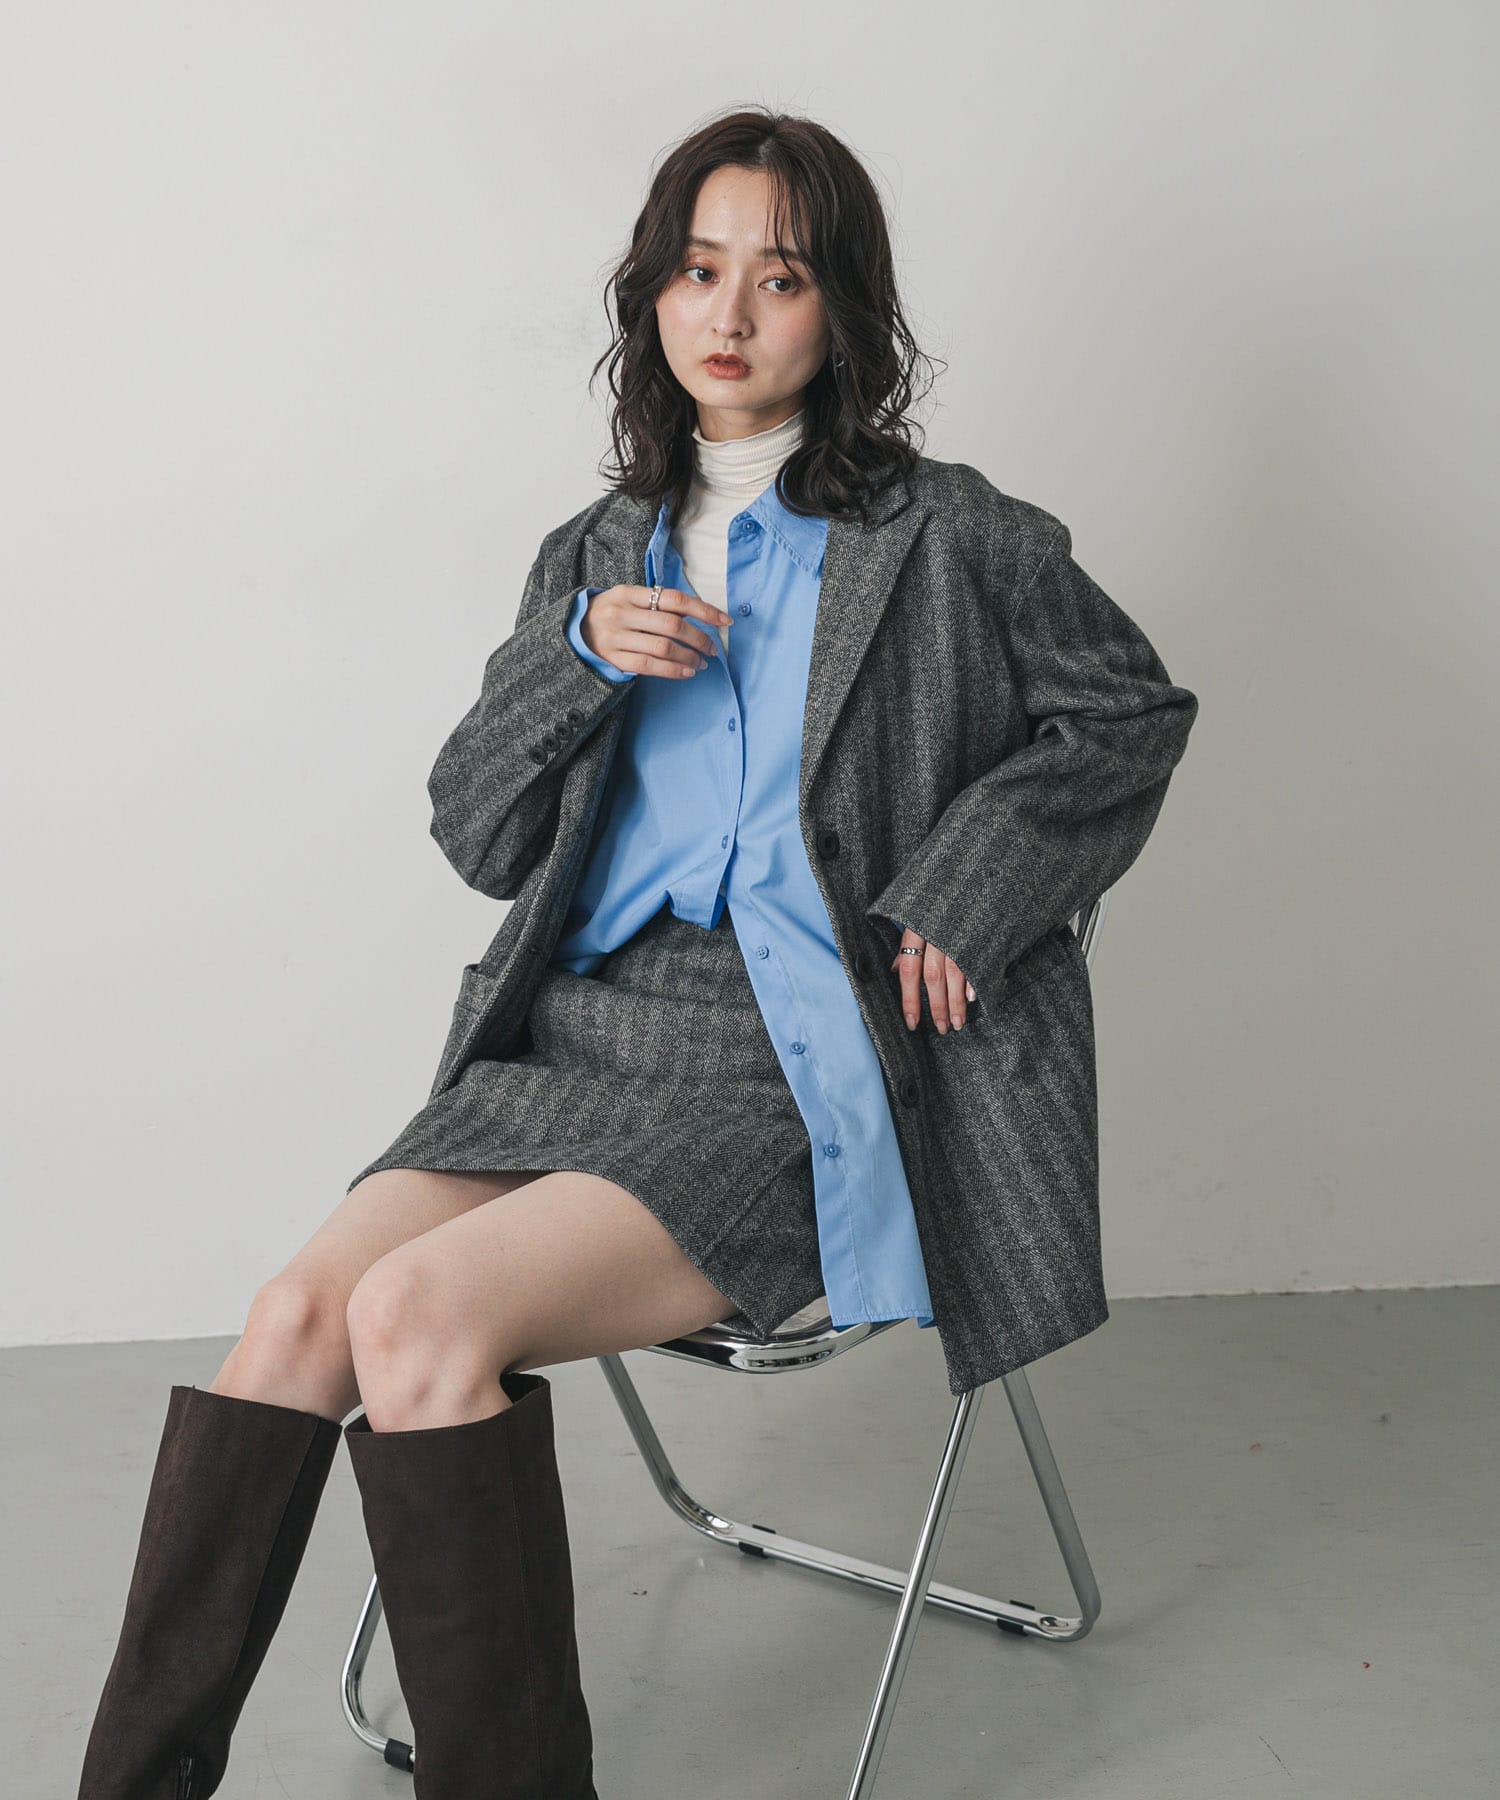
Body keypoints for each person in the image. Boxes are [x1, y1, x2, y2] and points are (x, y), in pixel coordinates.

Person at [76, 107, 1198, 1800]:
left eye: (781, 277)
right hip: (580, 1038)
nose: (728, 312)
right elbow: (476, 833)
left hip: (793, 1065)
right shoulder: (597, 556)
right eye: (696, 268)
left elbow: (1127, 713)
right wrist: (579, 656)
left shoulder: (953, 535)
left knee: (419, 1320)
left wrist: (970, 887)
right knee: (298, 1313)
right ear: (651, 295)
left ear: (843, 313)